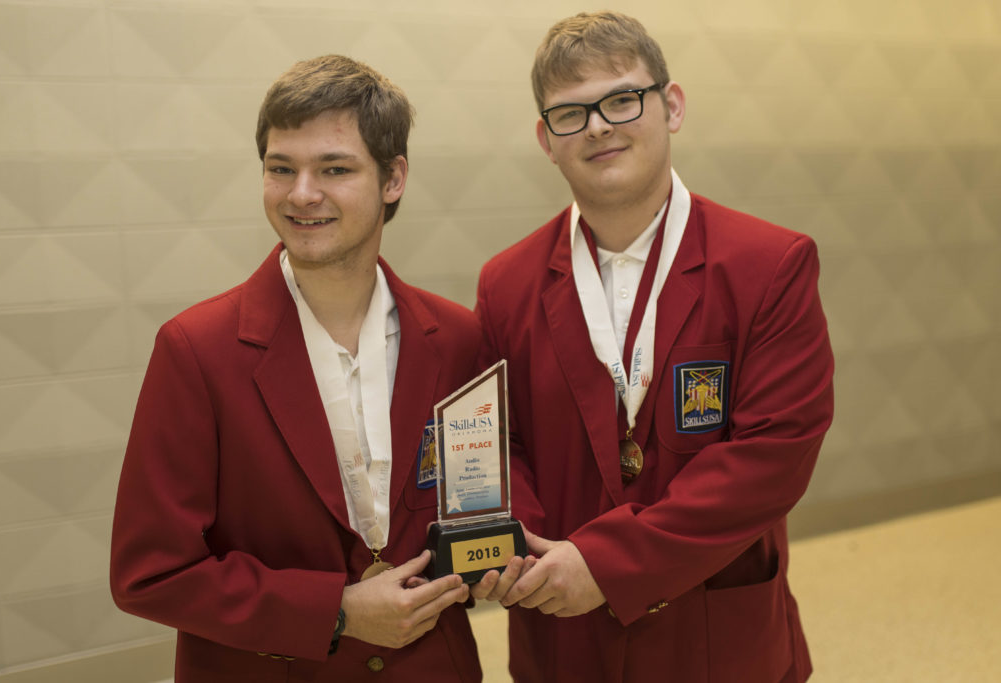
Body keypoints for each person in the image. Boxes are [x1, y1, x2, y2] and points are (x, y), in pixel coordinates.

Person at [473, 11, 834, 683]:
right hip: (564, 635)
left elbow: (773, 456)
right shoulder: (505, 284)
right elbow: (498, 444)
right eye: (570, 114)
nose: (600, 126)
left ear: (671, 106)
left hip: (715, 635)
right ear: (545, 140)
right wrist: (521, 548)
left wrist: (608, 564)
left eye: (621, 98)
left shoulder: (770, 263)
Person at [111, 55, 483, 682]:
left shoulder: (458, 337)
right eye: (281, 168)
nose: (301, 194)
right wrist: (334, 611)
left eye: (334, 169)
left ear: (393, 179)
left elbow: (478, 499)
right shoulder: (196, 348)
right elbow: (149, 573)